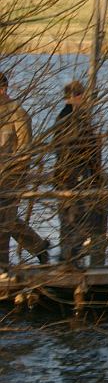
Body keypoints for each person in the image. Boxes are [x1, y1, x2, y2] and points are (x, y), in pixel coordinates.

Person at [53, 80, 106, 267]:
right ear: (78, 97)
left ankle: (67, 257)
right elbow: (83, 148)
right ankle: (72, 257)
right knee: (83, 218)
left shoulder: (61, 117)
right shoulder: (75, 118)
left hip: (63, 174)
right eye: (83, 97)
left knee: (67, 219)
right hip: (75, 176)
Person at [0, 71, 49, 268]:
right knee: (9, 221)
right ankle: (39, 247)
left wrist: (19, 182)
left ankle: (2, 265)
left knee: (5, 223)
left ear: (3, 89)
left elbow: (25, 152)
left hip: (11, 178)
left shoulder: (18, 114)